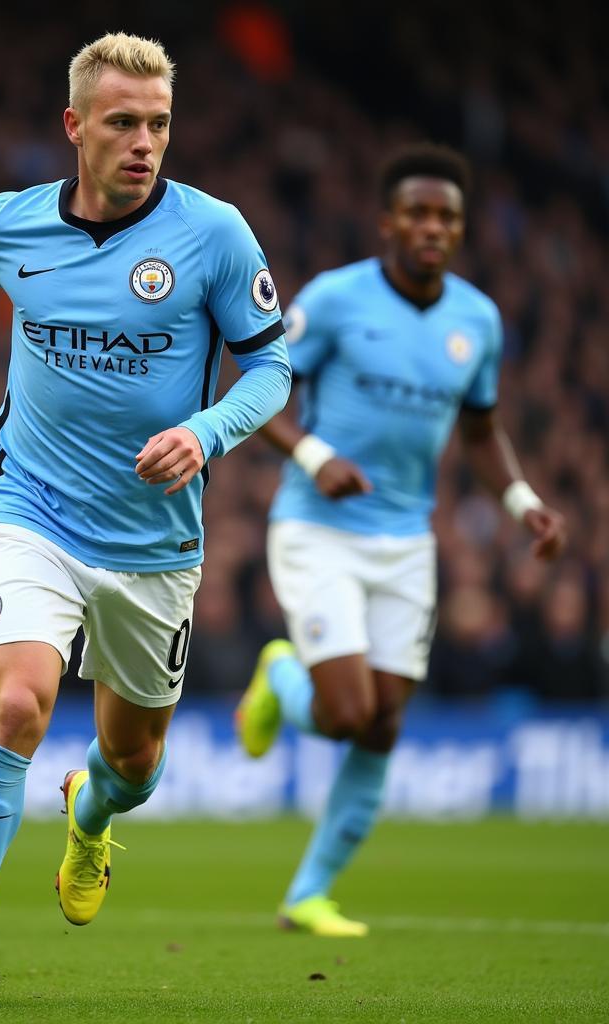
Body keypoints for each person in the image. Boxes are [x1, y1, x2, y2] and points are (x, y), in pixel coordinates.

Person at [0, 32, 291, 1009]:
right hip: (28, 510)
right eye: (122, 122)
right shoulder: (7, 226)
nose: (144, 142)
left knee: (134, 762)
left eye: (158, 124)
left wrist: (204, 432)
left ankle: (92, 815)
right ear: (74, 127)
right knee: (18, 701)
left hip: (154, 543)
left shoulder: (215, 234)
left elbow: (273, 370)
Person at [235, 142, 566, 938]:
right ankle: (282, 680)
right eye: (417, 212)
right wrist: (316, 456)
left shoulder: (476, 320)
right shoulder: (338, 300)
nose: (431, 227)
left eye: (446, 216)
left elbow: (481, 432)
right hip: (317, 527)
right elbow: (258, 389)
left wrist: (522, 501)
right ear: (387, 221)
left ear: (459, 230)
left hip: (406, 543)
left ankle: (309, 895)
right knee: (349, 713)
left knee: (385, 724)